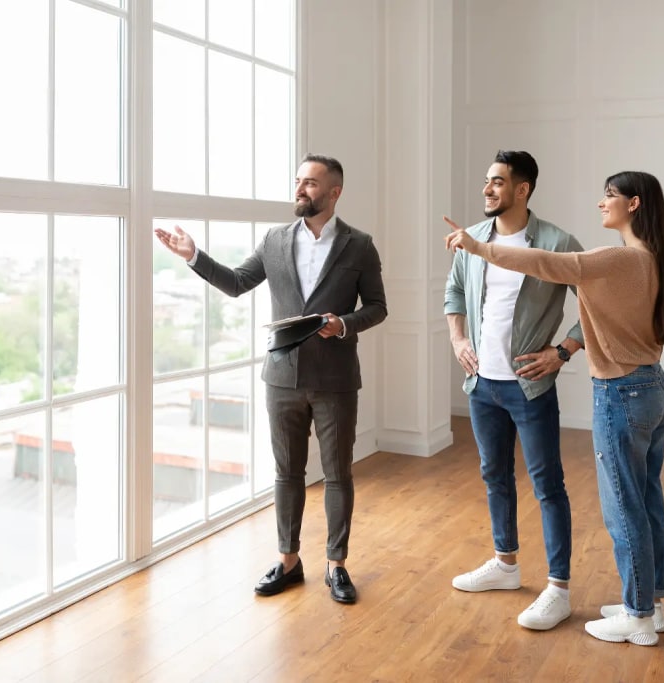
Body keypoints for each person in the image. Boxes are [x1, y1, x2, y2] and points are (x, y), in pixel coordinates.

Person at [445, 170, 664, 646]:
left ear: (634, 205)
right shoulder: (649, 259)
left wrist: (479, 247)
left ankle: (637, 617)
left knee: (624, 510)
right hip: (653, 387)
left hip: (622, 393)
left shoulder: (616, 259)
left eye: (609, 196)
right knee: (646, 500)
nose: (601, 203)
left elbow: (545, 262)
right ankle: (651, 605)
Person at [155, 154, 387, 604]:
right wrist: (194, 257)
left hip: (336, 378)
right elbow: (238, 281)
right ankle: (288, 560)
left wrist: (343, 324)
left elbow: (377, 307)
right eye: (298, 180)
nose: (300, 189)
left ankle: (336, 565)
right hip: (281, 378)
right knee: (287, 473)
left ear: (334, 192)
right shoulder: (275, 240)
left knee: (338, 473)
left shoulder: (359, 245)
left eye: (311, 183)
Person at [443, 150, 585, 631]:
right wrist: (458, 338)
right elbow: (454, 292)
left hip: (531, 387)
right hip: (482, 385)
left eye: (498, 182)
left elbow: (595, 299)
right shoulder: (474, 238)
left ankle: (559, 589)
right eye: (486, 181)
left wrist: (563, 351)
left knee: (548, 486)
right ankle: (505, 565)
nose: (487, 189)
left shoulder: (556, 242)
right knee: (494, 476)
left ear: (522, 190)